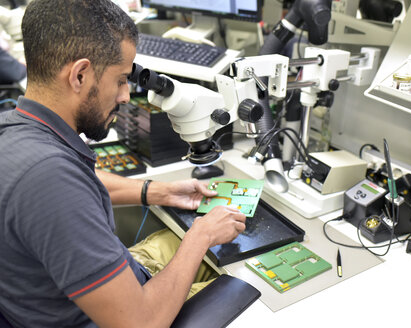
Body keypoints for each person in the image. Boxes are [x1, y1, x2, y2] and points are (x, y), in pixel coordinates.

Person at [0, 0, 247, 327]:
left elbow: (78, 185)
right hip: (132, 315)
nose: (126, 96)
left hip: (87, 294)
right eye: (119, 80)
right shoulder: (49, 180)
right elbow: (140, 323)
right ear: (80, 75)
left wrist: (159, 192)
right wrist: (199, 236)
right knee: (257, 282)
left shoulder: (15, 129)